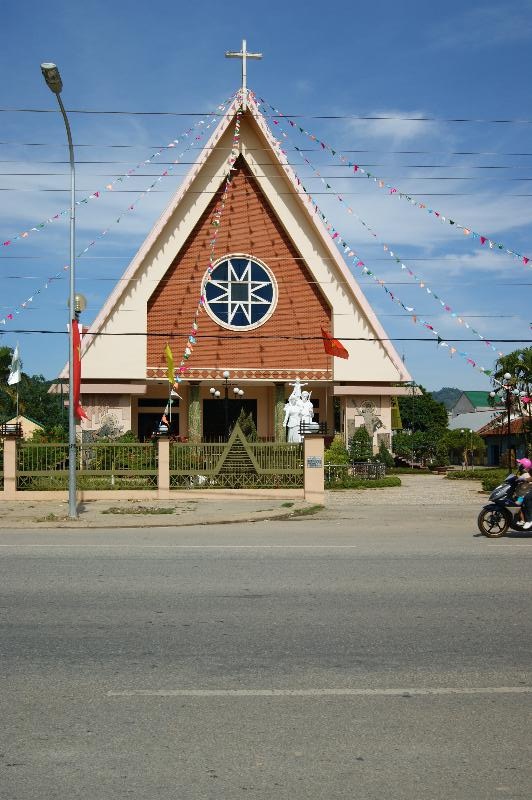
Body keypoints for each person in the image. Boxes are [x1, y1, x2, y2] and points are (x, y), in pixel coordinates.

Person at [514, 458, 532, 529]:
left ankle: (528, 520)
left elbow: (530, 478)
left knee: (527, 498)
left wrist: (525, 479)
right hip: (523, 493)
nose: (519, 465)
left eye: (521, 464)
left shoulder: (527, 473)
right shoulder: (526, 472)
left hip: (525, 494)